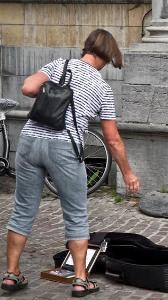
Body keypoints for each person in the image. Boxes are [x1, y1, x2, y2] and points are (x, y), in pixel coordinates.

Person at [1, 29, 140, 297]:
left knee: (22, 210)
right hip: (64, 148)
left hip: (29, 141)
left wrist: (52, 94)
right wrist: (128, 173)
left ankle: (11, 274)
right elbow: (113, 140)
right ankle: (80, 279)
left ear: (87, 48)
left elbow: (28, 87)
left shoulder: (57, 65)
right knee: (76, 214)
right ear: (107, 56)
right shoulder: (102, 88)